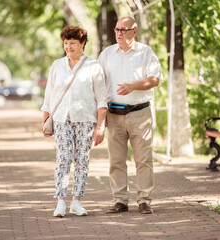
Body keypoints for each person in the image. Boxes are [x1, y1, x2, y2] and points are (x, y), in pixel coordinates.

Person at [98, 17, 163, 214]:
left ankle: (144, 200)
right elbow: (99, 85)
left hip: (140, 113)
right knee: (116, 160)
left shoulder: (145, 52)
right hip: (114, 114)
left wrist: (133, 85)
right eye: (117, 29)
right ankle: (120, 200)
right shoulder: (107, 54)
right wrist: (101, 117)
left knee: (143, 159)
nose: (119, 33)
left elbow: (155, 79)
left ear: (134, 31)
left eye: (124, 30)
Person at [41, 26, 107, 217]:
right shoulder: (57, 65)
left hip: (86, 119)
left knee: (82, 160)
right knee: (63, 158)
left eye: (73, 43)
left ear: (83, 44)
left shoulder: (93, 66)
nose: (68, 47)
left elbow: (102, 98)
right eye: (66, 43)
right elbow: (49, 94)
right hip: (62, 118)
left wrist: (101, 126)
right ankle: (60, 201)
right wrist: (45, 118)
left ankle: (77, 201)